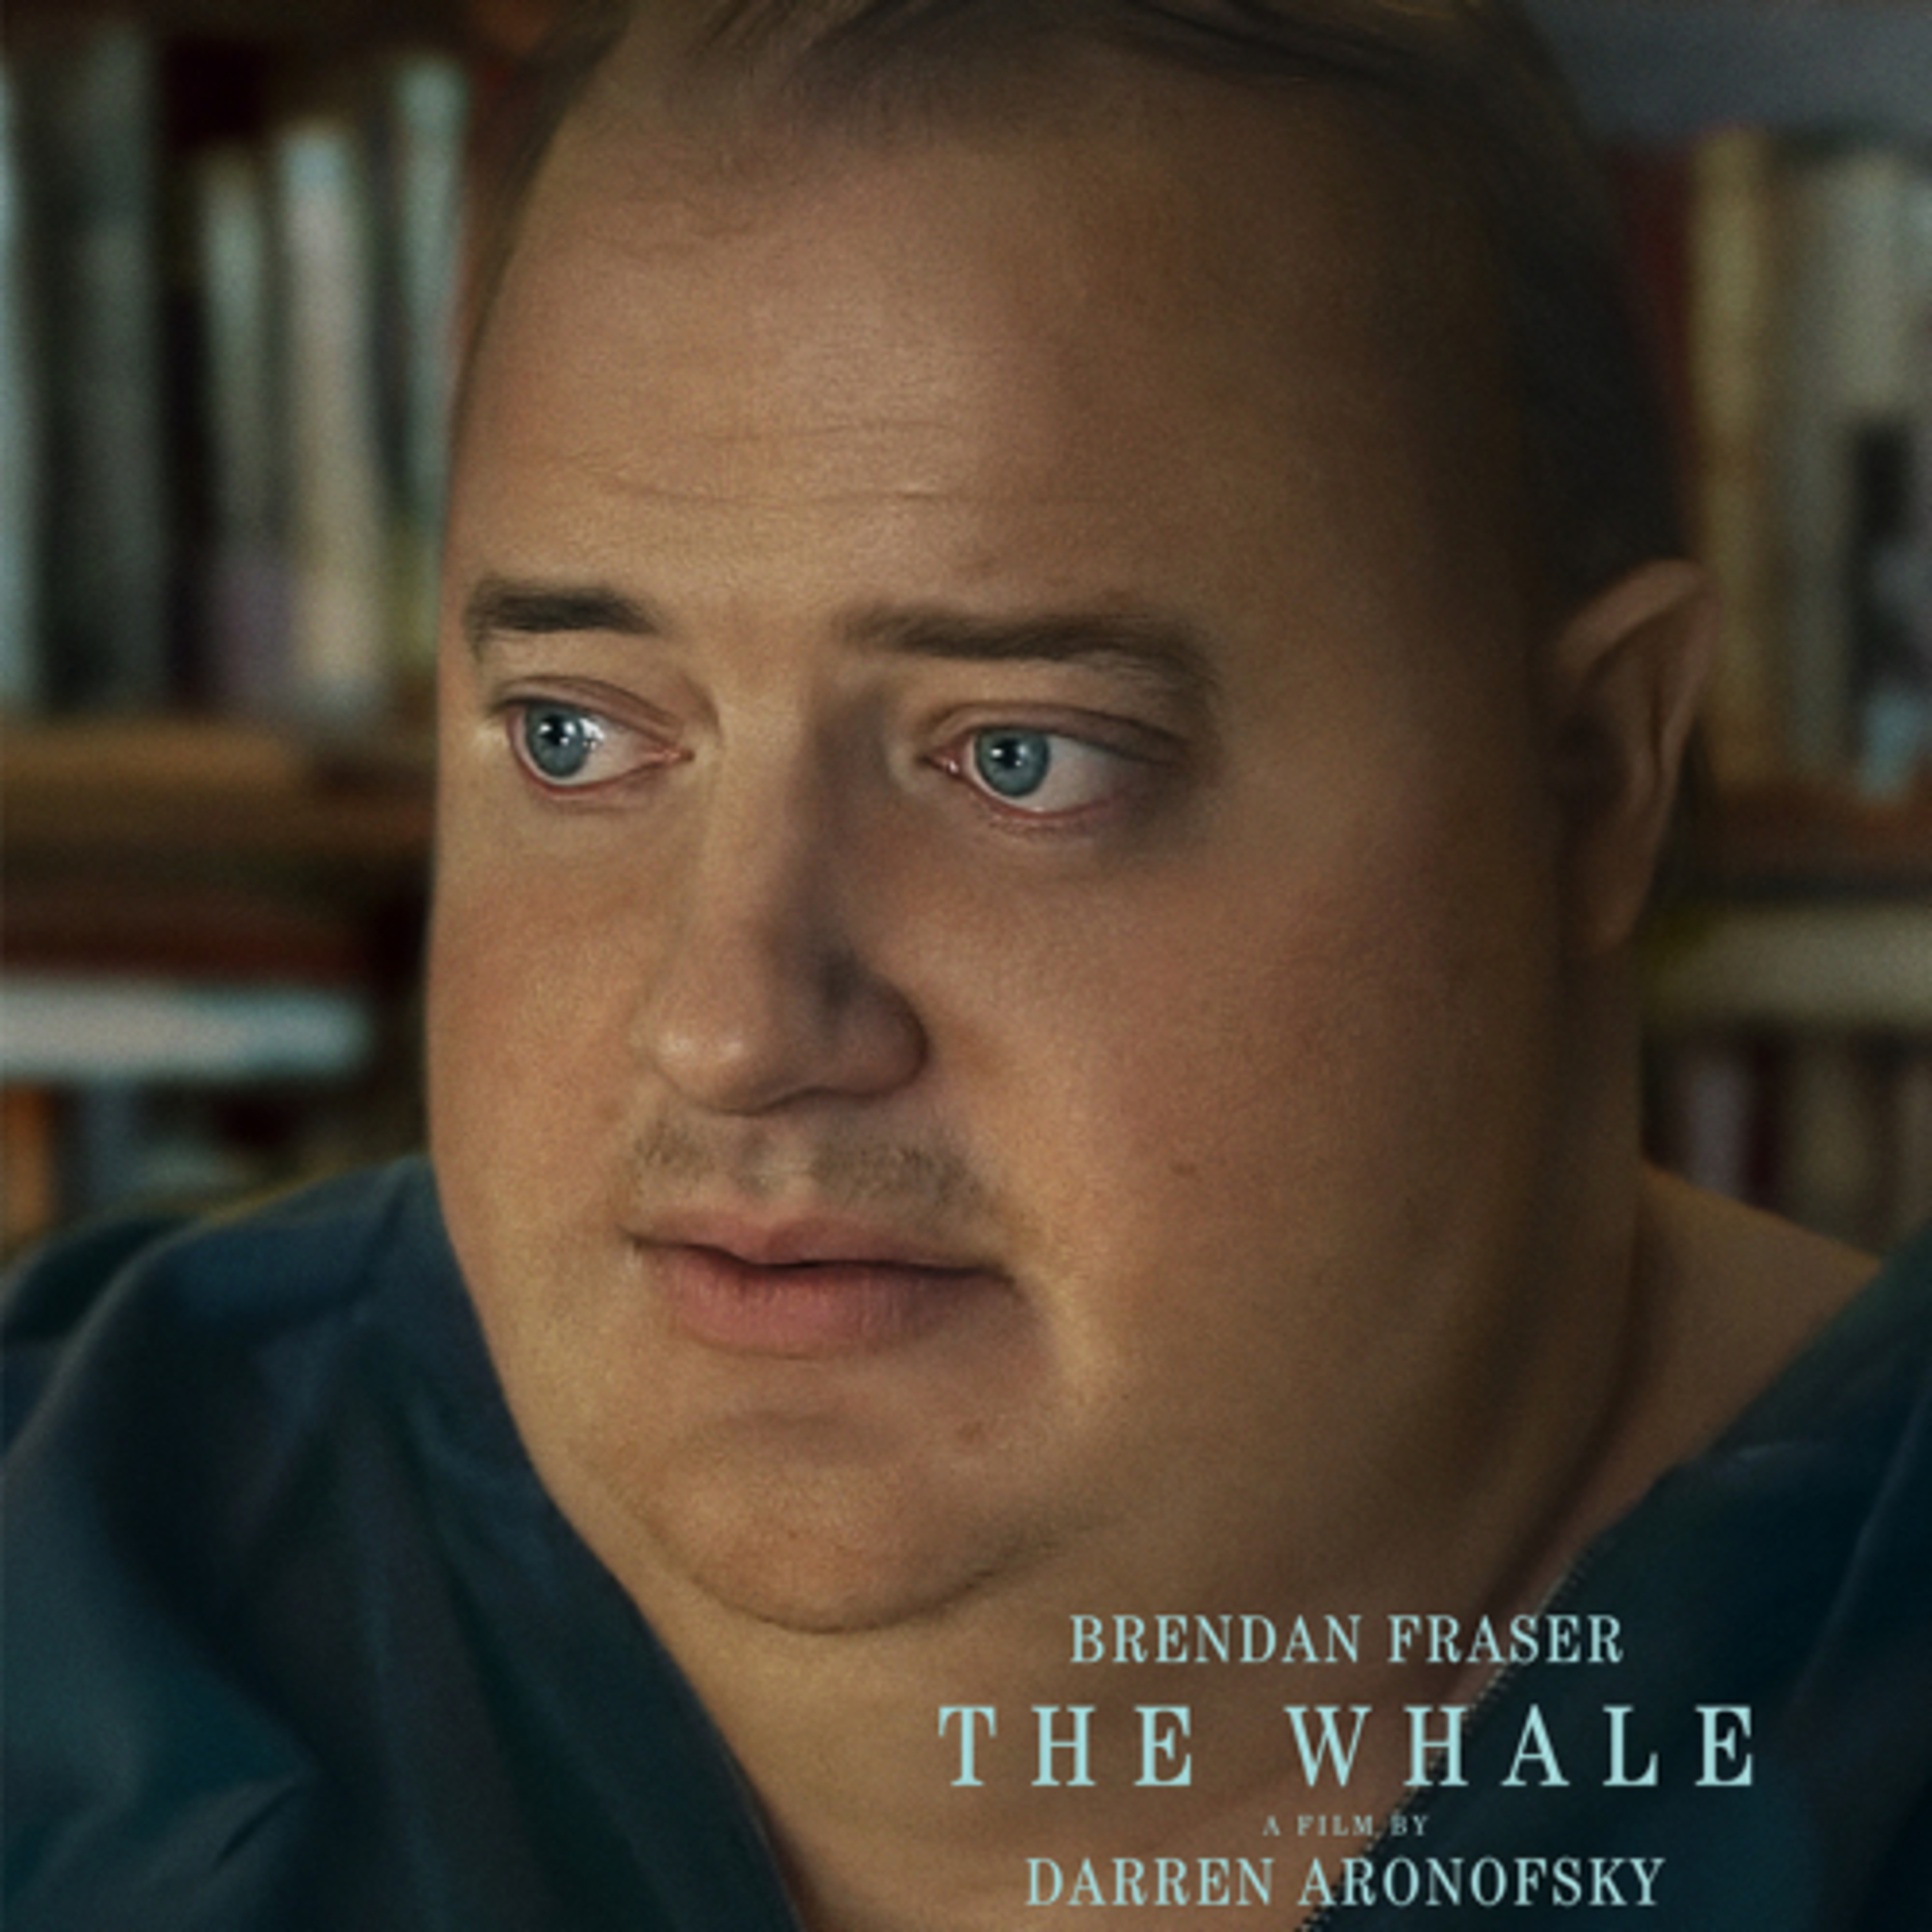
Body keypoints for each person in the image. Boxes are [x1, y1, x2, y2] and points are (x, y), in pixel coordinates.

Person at [6, 1, 1929, 1925]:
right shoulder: (83, 1572)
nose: (730, 1025)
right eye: (576, 736)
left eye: (1023, 759)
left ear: (1591, 778)